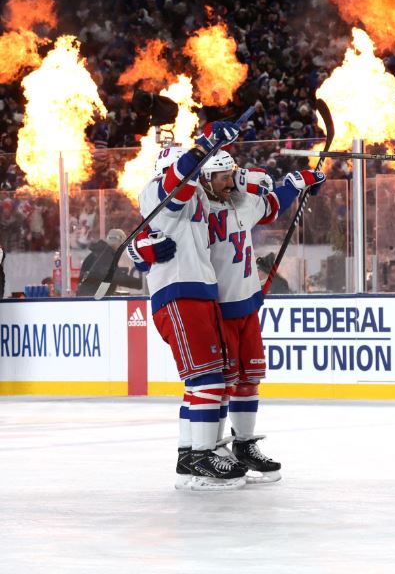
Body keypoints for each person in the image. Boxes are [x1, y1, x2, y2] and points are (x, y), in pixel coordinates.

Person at [135, 122, 248, 490]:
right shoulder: (158, 191)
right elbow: (177, 181)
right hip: (180, 295)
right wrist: (206, 143)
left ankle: (191, 454)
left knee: (205, 378)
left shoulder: (196, 196)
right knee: (206, 379)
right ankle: (200, 458)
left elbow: (223, 189)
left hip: (201, 293)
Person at [201, 149, 323, 484]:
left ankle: (243, 445)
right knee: (221, 383)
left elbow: (274, 203)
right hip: (219, 308)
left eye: (231, 175)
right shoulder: (196, 211)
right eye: (222, 177)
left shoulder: (243, 203)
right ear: (205, 178)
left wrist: (298, 183)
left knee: (248, 379)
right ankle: (211, 449)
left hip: (247, 305)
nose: (230, 182)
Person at [76, 230, 144, 297]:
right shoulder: (106, 256)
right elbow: (117, 277)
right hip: (92, 299)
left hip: (87, 297)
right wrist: (141, 283)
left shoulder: (98, 253)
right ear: (121, 242)